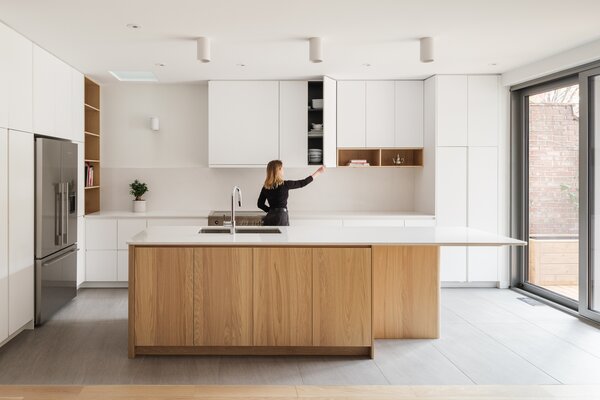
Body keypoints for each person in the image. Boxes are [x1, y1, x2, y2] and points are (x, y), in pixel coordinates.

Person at [257, 160, 325, 226]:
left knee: (269, 237)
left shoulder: (266, 187)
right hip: (281, 217)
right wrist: (318, 172)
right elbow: (303, 183)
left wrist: (271, 211)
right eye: (282, 168)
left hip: (270, 216)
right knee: (281, 237)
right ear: (279, 170)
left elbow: (260, 204)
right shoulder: (285, 184)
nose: (283, 170)